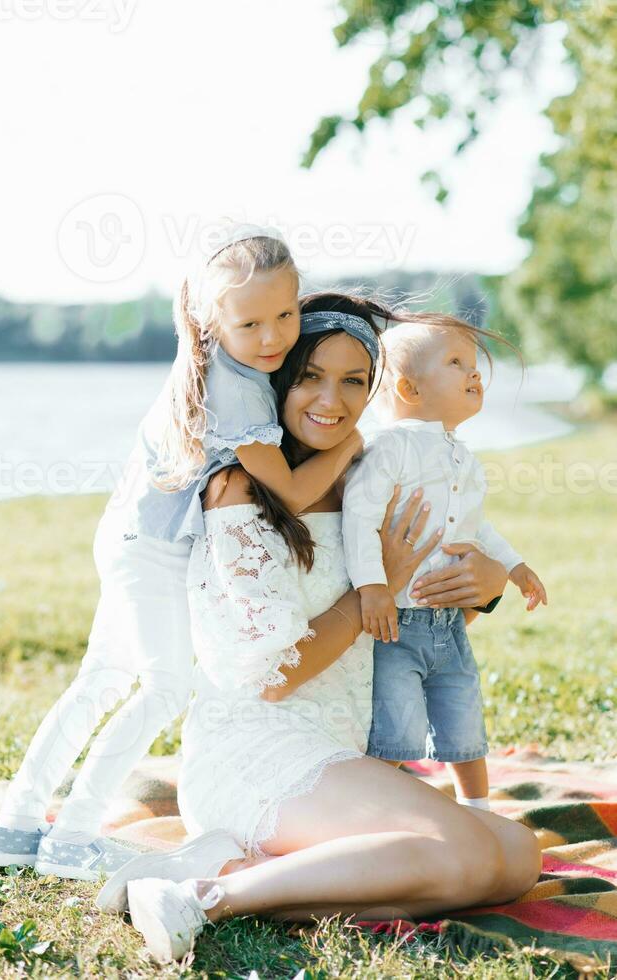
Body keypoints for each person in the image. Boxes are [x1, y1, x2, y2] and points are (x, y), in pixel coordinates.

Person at [108, 297, 540, 963]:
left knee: (514, 857)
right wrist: (382, 583)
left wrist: (480, 590)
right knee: (460, 853)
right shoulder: (238, 494)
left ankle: (229, 868)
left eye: (353, 381)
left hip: (342, 757)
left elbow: (413, 645)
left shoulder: (374, 484)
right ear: (276, 383)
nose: (330, 400)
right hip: (258, 752)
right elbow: (274, 679)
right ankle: (198, 897)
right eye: (310, 376)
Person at [0, 225, 362, 881]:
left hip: (127, 535)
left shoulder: (213, 360)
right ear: (211, 319)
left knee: (101, 681)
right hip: (151, 552)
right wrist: (345, 446)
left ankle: (17, 826)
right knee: (164, 687)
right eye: (251, 322)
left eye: (285, 314)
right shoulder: (237, 390)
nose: (273, 336)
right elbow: (293, 493)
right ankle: (74, 833)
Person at [342, 312, 548, 810]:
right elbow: (360, 515)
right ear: (409, 389)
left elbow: (477, 527)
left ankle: (478, 809)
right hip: (399, 621)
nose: (474, 373)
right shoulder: (390, 448)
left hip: (451, 623)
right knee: (398, 724)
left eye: (474, 364)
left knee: (463, 713)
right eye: (457, 363)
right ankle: (370, 809)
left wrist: (515, 567)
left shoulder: (461, 456)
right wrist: (373, 586)